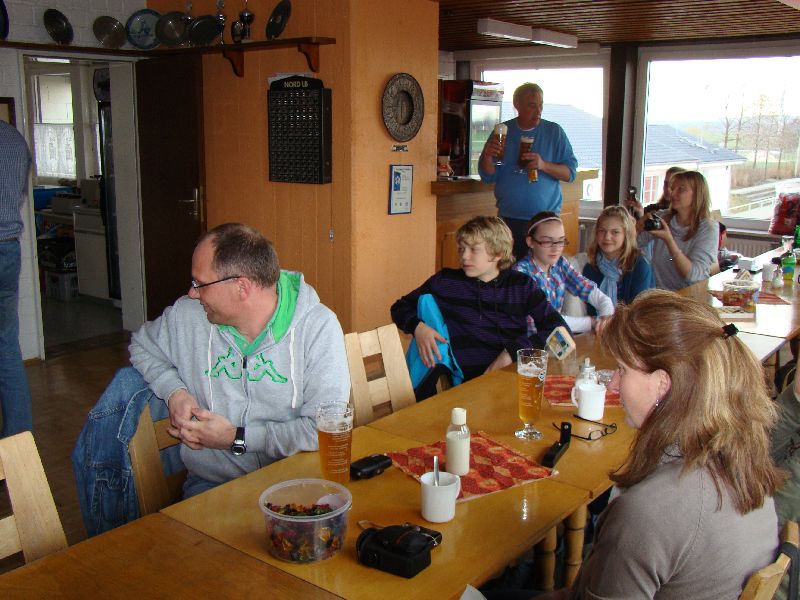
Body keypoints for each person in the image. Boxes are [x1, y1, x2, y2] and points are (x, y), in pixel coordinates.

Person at [539, 290, 781, 600]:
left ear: (662, 384)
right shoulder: (743, 460)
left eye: (622, 370)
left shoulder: (648, 512)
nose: (612, 384)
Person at [129, 223, 349, 497]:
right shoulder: (186, 316)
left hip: (295, 483)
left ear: (241, 287)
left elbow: (323, 429)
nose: (192, 293)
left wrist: (237, 438)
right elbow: (142, 345)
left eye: (200, 284)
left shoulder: (317, 327)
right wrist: (175, 392)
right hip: (214, 486)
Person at [391, 216, 568, 401]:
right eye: (461, 249)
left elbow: (560, 329)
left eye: (473, 249)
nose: (464, 256)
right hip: (469, 388)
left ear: (498, 252)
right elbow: (400, 307)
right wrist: (419, 328)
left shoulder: (521, 285)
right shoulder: (446, 281)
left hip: (513, 380)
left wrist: (511, 352)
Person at [478, 83, 578, 260]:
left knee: (541, 270)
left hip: (544, 221)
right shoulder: (502, 132)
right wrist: (487, 156)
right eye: (532, 105)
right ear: (517, 105)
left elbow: (570, 174)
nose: (538, 111)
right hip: (509, 219)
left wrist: (543, 165)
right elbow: (488, 176)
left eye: (541, 105)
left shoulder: (554, 132)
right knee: (508, 270)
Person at [513, 212, 614, 334]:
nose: (556, 249)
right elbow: (543, 322)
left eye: (560, 241)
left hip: (554, 339)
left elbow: (590, 290)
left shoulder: (560, 264)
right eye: (547, 241)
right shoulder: (520, 274)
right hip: (529, 342)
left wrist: (606, 316)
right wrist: (591, 322)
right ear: (530, 241)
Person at [0, 120, 34, 437]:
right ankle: (18, 442)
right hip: (8, 250)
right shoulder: (14, 139)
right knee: (7, 347)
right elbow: (20, 193)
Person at [636, 170, 719, 290]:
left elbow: (693, 275)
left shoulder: (708, 228)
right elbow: (634, 244)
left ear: (697, 194)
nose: (672, 193)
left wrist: (669, 240)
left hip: (691, 295)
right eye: (672, 188)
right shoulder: (663, 218)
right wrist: (637, 228)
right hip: (660, 294)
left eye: (681, 189)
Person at [583, 205, 655, 307]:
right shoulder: (590, 268)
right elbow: (590, 309)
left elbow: (639, 310)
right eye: (602, 231)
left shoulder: (640, 267)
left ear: (626, 235)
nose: (607, 237)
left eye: (615, 232)